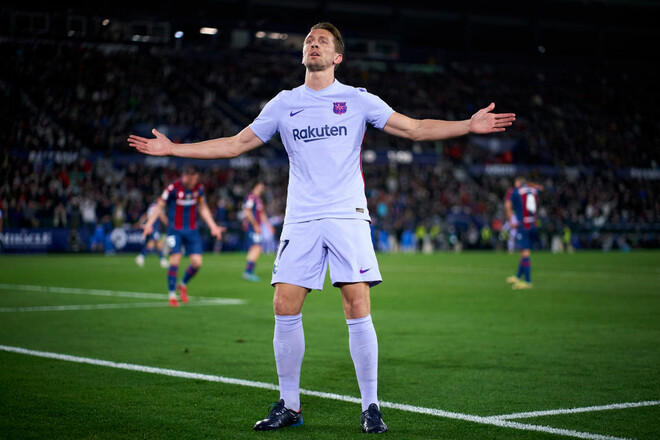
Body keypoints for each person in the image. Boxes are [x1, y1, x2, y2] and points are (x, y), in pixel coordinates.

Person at [128, 22, 515, 433]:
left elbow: (415, 128)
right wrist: (174, 149)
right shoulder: (284, 103)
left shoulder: (358, 100)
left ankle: (371, 406)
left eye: (323, 42)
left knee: (356, 305)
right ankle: (290, 405)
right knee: (284, 305)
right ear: (303, 54)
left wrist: (466, 125)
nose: (314, 44)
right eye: (309, 41)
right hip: (301, 217)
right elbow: (236, 144)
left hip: (347, 214)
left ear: (337, 57)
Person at [141, 164, 224, 307]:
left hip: (192, 231)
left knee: (197, 263)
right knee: (175, 259)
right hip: (175, 230)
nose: (194, 182)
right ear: (185, 176)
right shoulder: (172, 188)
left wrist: (213, 226)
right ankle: (172, 295)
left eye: (196, 179)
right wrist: (149, 223)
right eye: (192, 179)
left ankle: (182, 284)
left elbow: (202, 207)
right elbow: (160, 206)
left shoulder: (199, 189)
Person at [505, 177, 542, 290]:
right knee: (523, 251)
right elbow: (541, 187)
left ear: (518, 183)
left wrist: (511, 221)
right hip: (533, 223)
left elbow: (507, 205)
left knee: (525, 252)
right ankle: (518, 276)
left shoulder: (515, 192)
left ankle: (527, 281)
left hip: (523, 224)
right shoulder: (533, 190)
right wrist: (529, 183)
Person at [242, 181, 274, 282]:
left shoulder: (258, 199)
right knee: (257, 248)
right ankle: (248, 272)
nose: (262, 187)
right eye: (260, 186)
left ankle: (248, 272)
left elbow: (262, 214)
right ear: (256, 186)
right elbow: (247, 212)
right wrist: (255, 225)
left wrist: (268, 225)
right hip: (251, 227)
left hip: (256, 227)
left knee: (255, 248)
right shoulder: (251, 197)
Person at [135, 198, 169, 268]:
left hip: (151, 227)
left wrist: (140, 223)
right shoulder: (158, 207)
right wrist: (169, 224)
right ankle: (161, 260)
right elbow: (162, 217)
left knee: (153, 243)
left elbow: (146, 216)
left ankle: (142, 257)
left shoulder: (151, 206)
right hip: (154, 227)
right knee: (155, 243)